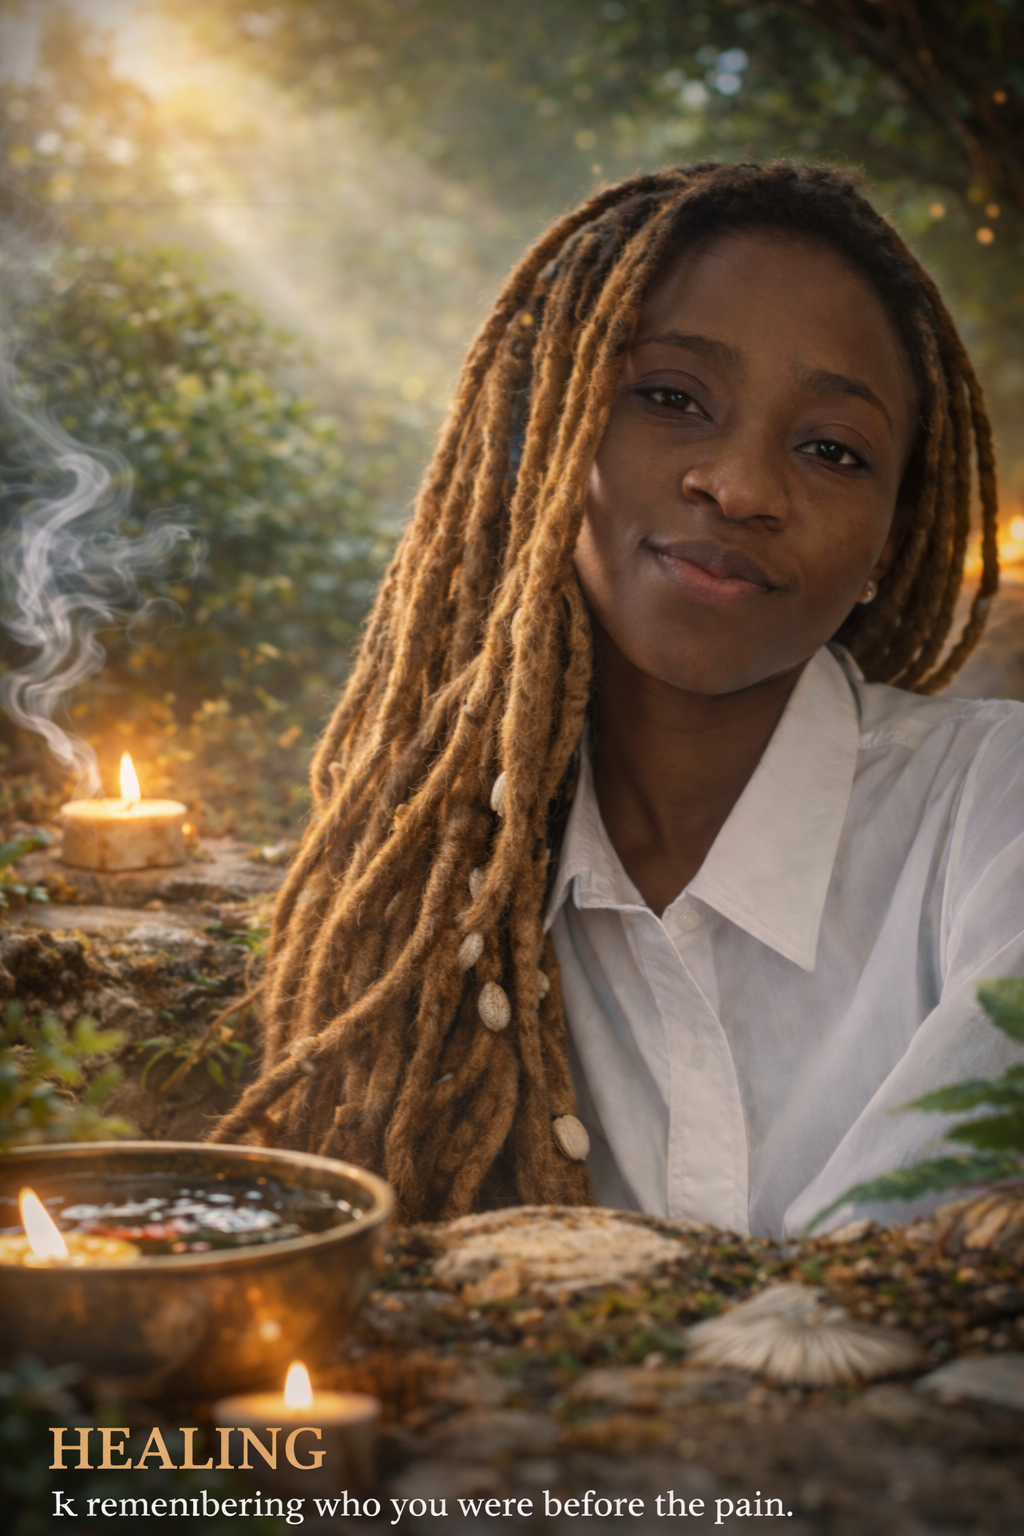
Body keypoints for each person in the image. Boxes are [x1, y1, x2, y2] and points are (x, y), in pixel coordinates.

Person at [215, 161, 1021, 1239]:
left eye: (832, 450)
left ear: (890, 541)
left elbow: (922, 1253)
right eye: (671, 398)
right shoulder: (451, 899)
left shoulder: (994, 812)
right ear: (550, 434)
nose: (740, 486)